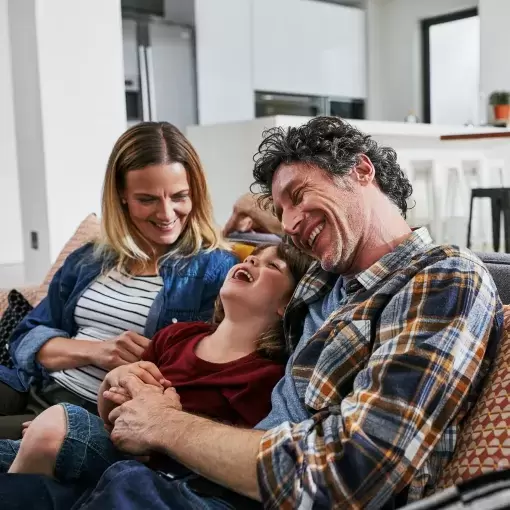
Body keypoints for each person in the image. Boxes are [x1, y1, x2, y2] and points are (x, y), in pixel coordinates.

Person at [0, 116, 503, 510]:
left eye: (299, 197)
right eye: (281, 211)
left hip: (246, 490)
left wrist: (164, 425)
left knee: (112, 477)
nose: (290, 223)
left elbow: (350, 474)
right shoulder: (328, 276)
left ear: (362, 170)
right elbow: (264, 245)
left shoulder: (440, 277)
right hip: (209, 471)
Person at [0, 244, 312, 487]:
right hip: (114, 441)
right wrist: (115, 382)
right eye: (252, 258)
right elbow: (113, 414)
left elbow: (230, 458)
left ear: (289, 303)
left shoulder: (265, 377)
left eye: (272, 264)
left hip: (158, 473)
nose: (251, 262)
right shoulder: (177, 335)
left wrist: (68, 429)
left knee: (55, 423)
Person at [0, 121, 238, 439]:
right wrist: (96, 351)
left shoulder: (215, 270)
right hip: (31, 384)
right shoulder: (91, 258)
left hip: (92, 413)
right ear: (122, 196)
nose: (167, 213)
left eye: (179, 196)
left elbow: (208, 375)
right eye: (148, 199)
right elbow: (26, 337)